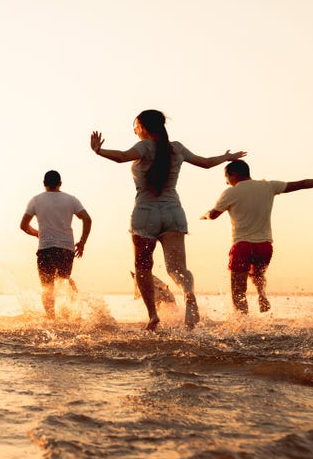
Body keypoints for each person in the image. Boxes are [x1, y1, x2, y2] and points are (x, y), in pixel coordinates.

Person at [90, 109, 245, 330]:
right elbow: (206, 162)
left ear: (143, 127)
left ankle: (153, 315)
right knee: (177, 268)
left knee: (143, 267)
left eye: (135, 126)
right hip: (173, 212)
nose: (134, 131)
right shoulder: (177, 148)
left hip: (145, 214)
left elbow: (122, 157)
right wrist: (227, 157)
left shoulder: (143, 147)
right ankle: (188, 293)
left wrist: (99, 151)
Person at [202, 160, 313, 314]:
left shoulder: (230, 193)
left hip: (242, 245)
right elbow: (301, 184)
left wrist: (205, 216)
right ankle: (262, 295)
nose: (226, 182)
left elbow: (213, 215)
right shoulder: (268, 186)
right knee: (257, 274)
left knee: (238, 290)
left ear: (234, 174)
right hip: (265, 246)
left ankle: (242, 326)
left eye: (226, 177)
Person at [20, 170, 92, 317]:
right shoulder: (71, 200)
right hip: (66, 248)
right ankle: (76, 311)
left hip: (45, 248)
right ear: (60, 184)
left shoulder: (35, 200)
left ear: (44, 184)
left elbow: (23, 225)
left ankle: (52, 319)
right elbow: (87, 219)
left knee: (47, 287)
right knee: (64, 279)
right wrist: (82, 242)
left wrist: (37, 234)